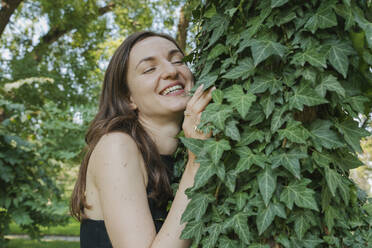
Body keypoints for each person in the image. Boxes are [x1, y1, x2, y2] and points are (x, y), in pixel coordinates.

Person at [70, 31, 215, 248]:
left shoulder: (181, 153)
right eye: (149, 69)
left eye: (178, 60)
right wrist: (197, 162)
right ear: (128, 98)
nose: (171, 70)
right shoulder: (116, 146)